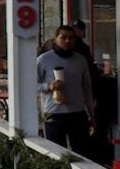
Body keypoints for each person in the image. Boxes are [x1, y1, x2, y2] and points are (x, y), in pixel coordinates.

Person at [37, 26, 94, 158]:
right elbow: (32, 85)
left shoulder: (80, 60)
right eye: (63, 37)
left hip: (78, 114)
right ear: (55, 40)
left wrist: (91, 114)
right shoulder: (43, 59)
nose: (68, 41)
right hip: (54, 114)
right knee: (55, 155)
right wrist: (49, 86)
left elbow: (87, 89)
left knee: (82, 155)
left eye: (71, 38)